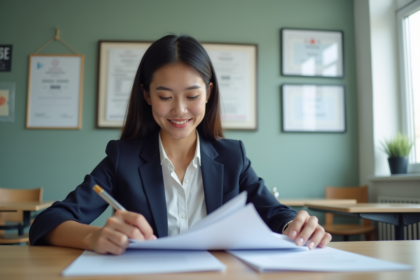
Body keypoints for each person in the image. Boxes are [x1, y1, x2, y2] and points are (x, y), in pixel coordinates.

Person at [29, 35, 331, 255]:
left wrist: (296, 223)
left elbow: (275, 213)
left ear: (209, 93)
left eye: (191, 96)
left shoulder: (232, 157)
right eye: (164, 97)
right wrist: (94, 237)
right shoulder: (124, 158)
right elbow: (47, 221)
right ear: (146, 95)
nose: (179, 110)